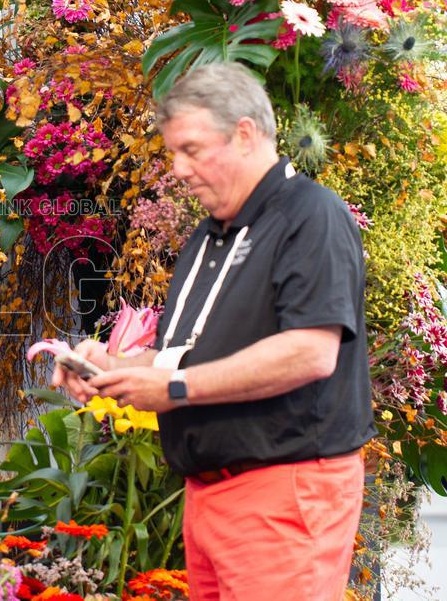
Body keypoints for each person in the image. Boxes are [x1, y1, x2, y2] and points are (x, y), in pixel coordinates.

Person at [53, 63, 376, 600]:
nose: (179, 168)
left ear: (245, 133)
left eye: (192, 149)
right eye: (173, 152)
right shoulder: (209, 235)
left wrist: (176, 391)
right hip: (210, 497)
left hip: (284, 491)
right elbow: (182, 355)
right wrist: (110, 369)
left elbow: (311, 352)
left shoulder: (310, 215)